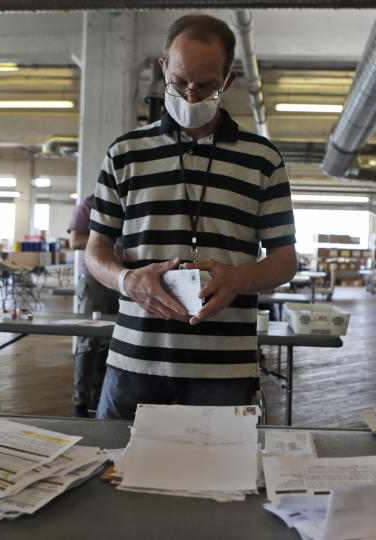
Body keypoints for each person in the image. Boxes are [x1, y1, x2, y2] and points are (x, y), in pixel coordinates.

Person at [85, 13, 298, 420]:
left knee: (223, 479)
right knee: (117, 472)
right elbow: (96, 249)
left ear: (228, 81)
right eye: (179, 82)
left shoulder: (263, 159)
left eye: (205, 87)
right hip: (135, 361)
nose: (190, 97)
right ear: (163, 67)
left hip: (224, 369)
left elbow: (286, 260)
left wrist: (239, 278)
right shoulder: (124, 154)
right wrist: (127, 280)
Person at [67, 193, 120, 417]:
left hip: (120, 279)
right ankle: (80, 401)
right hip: (93, 279)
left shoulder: (124, 202)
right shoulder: (88, 204)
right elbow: (75, 241)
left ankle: (98, 397)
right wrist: (106, 239)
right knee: (88, 340)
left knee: (110, 342)